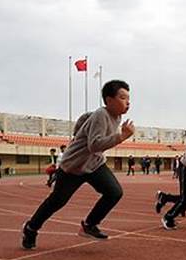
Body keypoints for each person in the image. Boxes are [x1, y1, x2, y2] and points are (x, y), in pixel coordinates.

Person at [22, 80, 134, 250]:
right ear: (109, 100)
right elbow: (94, 145)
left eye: (128, 98)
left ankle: (89, 225)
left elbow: (84, 119)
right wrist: (121, 137)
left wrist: (80, 129)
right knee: (57, 202)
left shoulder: (116, 117)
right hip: (73, 167)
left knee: (114, 192)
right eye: (123, 98)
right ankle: (31, 228)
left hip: (94, 165)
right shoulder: (101, 115)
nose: (128, 102)